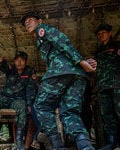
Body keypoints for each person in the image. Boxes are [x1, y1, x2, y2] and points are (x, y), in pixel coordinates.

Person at [21, 11, 97, 150]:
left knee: (41, 106)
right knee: (69, 112)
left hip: (62, 71)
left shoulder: (42, 30)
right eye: (25, 23)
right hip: (77, 76)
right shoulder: (40, 38)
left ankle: (57, 145)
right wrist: (81, 63)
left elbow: (62, 41)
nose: (28, 24)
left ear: (40, 21)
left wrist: (80, 61)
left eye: (30, 20)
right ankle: (85, 145)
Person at [0, 51, 36, 150]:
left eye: (22, 60)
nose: (19, 62)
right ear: (14, 61)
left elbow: (30, 88)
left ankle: (18, 141)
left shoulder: (30, 71)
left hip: (18, 100)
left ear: (26, 62)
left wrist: (30, 104)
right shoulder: (11, 68)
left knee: (23, 108)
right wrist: (1, 62)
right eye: (17, 60)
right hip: (4, 98)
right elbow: (4, 67)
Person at [94, 23, 120, 149]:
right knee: (107, 115)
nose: (101, 36)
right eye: (99, 34)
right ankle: (112, 142)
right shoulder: (98, 51)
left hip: (117, 85)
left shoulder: (117, 46)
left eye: (103, 33)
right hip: (103, 87)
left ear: (109, 33)